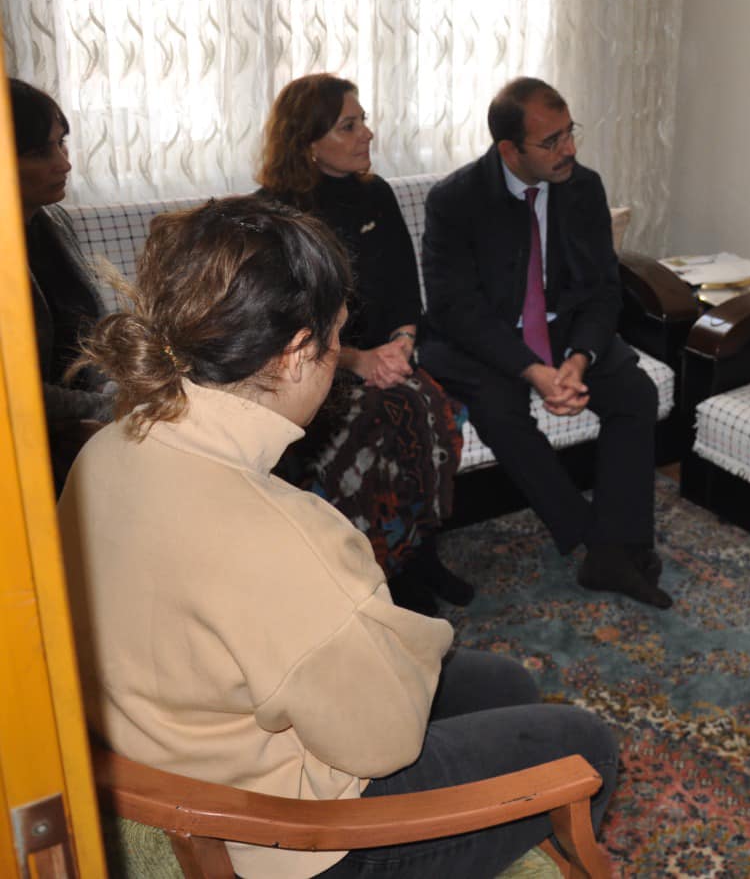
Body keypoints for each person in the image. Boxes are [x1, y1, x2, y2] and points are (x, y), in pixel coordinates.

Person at [59, 196, 617, 879]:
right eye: (336, 337)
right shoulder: (290, 536)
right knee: (585, 746)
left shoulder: (103, 451)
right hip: (286, 835)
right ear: (297, 354)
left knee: (505, 684)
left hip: (174, 745)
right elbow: (384, 742)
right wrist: (398, 640)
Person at [419, 77, 669, 609]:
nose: (569, 149)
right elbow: (455, 308)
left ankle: (618, 546)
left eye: (569, 133)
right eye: (551, 142)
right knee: (498, 408)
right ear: (509, 150)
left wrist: (579, 358)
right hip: (484, 337)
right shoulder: (455, 201)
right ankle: (598, 541)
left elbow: (603, 290)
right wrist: (532, 370)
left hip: (563, 329)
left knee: (635, 393)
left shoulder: (584, 187)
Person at [257, 74, 469, 615]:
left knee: (430, 406)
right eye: (348, 126)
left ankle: (420, 554)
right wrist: (356, 361)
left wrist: (400, 345)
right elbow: (283, 325)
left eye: (363, 121)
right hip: (313, 368)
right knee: (377, 420)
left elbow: (405, 291)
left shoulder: (376, 194)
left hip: (386, 358)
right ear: (307, 141)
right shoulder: (275, 215)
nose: (367, 134)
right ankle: (379, 571)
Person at [9, 77, 114, 489]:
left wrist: (112, 390)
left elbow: (88, 331)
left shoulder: (52, 220)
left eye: (61, 144)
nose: (64, 164)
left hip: (73, 418)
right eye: (40, 152)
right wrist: (108, 409)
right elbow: (16, 393)